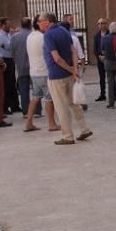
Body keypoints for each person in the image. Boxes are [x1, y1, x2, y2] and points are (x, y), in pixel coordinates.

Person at [40, 13, 92, 144]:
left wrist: (70, 69)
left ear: (47, 21)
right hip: (69, 75)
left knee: (61, 107)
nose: (38, 24)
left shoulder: (48, 35)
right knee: (73, 103)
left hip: (56, 76)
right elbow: (73, 51)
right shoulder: (63, 30)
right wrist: (74, 69)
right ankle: (84, 128)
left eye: (40, 21)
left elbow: (56, 58)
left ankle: (68, 136)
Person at [24, 16, 59, 133]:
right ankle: (52, 124)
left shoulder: (30, 36)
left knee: (35, 97)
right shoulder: (44, 37)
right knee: (49, 99)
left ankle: (28, 122)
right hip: (44, 71)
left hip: (34, 72)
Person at [0, 17, 18, 114]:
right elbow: (8, 47)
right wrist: (13, 37)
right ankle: (6, 106)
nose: (9, 26)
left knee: (12, 83)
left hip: (10, 59)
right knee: (6, 84)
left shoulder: (7, 35)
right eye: (7, 24)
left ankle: (15, 105)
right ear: (2, 25)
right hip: (5, 59)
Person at [11, 17, 32, 117]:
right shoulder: (33, 35)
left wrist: (17, 62)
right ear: (30, 24)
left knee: (23, 89)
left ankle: (26, 111)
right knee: (37, 89)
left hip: (21, 66)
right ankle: (37, 110)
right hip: (34, 66)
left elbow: (12, 53)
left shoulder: (15, 37)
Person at [92, 19, 108, 102]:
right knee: (102, 77)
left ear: (106, 24)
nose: (100, 25)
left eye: (102, 23)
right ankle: (102, 94)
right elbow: (95, 49)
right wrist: (99, 57)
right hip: (100, 60)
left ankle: (113, 95)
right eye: (99, 24)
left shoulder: (110, 34)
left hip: (109, 59)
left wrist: (106, 56)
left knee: (111, 77)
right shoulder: (96, 36)